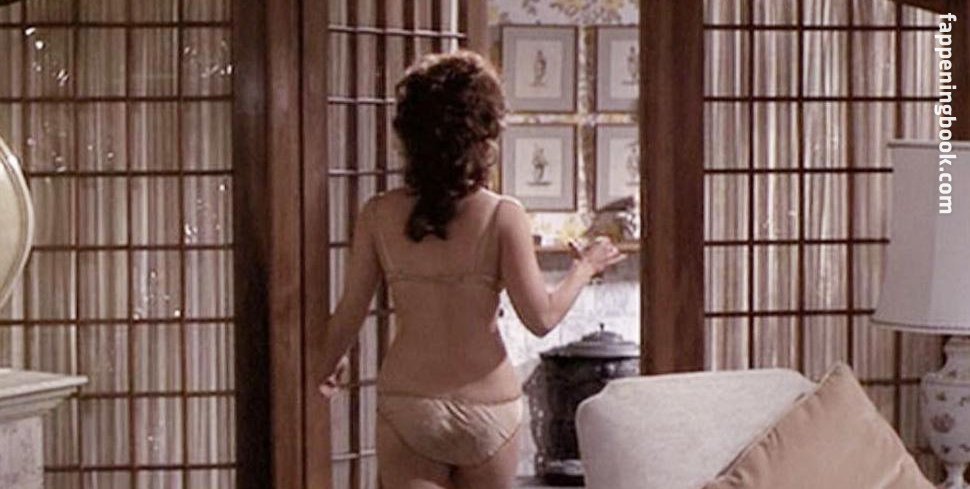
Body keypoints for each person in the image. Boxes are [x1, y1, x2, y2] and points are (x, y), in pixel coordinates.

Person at [318, 50, 625, 489]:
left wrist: (325, 367)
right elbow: (541, 319)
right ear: (484, 133)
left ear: (410, 133)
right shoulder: (503, 215)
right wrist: (585, 266)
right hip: (490, 407)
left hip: (411, 402)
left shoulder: (378, 214)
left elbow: (348, 315)